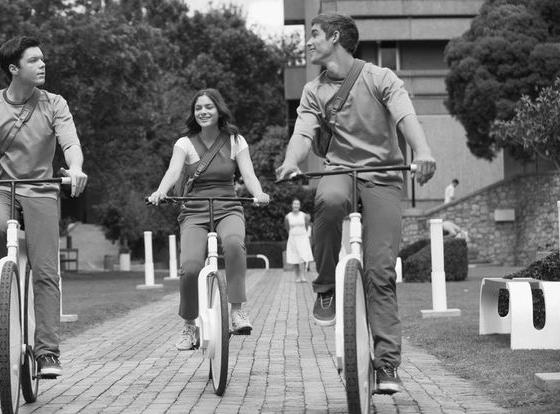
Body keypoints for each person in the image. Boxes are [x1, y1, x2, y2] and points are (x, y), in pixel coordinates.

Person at [275, 13, 436, 394]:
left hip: (383, 176)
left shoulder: (381, 78)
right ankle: (326, 286)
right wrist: (291, 160)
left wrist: (424, 150)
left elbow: (405, 115)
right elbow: (303, 133)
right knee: (328, 201)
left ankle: (387, 366)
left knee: (380, 272)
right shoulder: (314, 90)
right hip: (339, 171)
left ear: (335, 37)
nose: (309, 42)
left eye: (313, 35)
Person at [0, 36, 88, 377]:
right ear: (14, 68)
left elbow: (71, 143)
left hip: (41, 191)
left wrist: (77, 169)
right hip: (4, 188)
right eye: (34, 60)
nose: (43, 65)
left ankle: (48, 352)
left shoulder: (55, 104)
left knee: (46, 271)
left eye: (42, 59)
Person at [148, 88, 270, 351]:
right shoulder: (184, 143)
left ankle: (237, 311)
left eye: (208, 107)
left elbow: (248, 175)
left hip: (228, 206)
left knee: (235, 244)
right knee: (190, 267)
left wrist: (258, 193)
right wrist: (161, 191)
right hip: (194, 210)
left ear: (219, 110)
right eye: (198, 108)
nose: (203, 112)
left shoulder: (236, 140)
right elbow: (173, 172)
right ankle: (189, 326)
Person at [284, 199, 313, 283]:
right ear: (292, 205)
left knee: (303, 257)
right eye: (294, 204)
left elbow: (307, 226)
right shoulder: (287, 216)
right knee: (295, 258)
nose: (296, 206)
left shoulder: (304, 216)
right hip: (293, 238)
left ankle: (303, 276)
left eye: (298, 204)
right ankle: (297, 277)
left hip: (303, 238)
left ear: (299, 206)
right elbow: (287, 228)